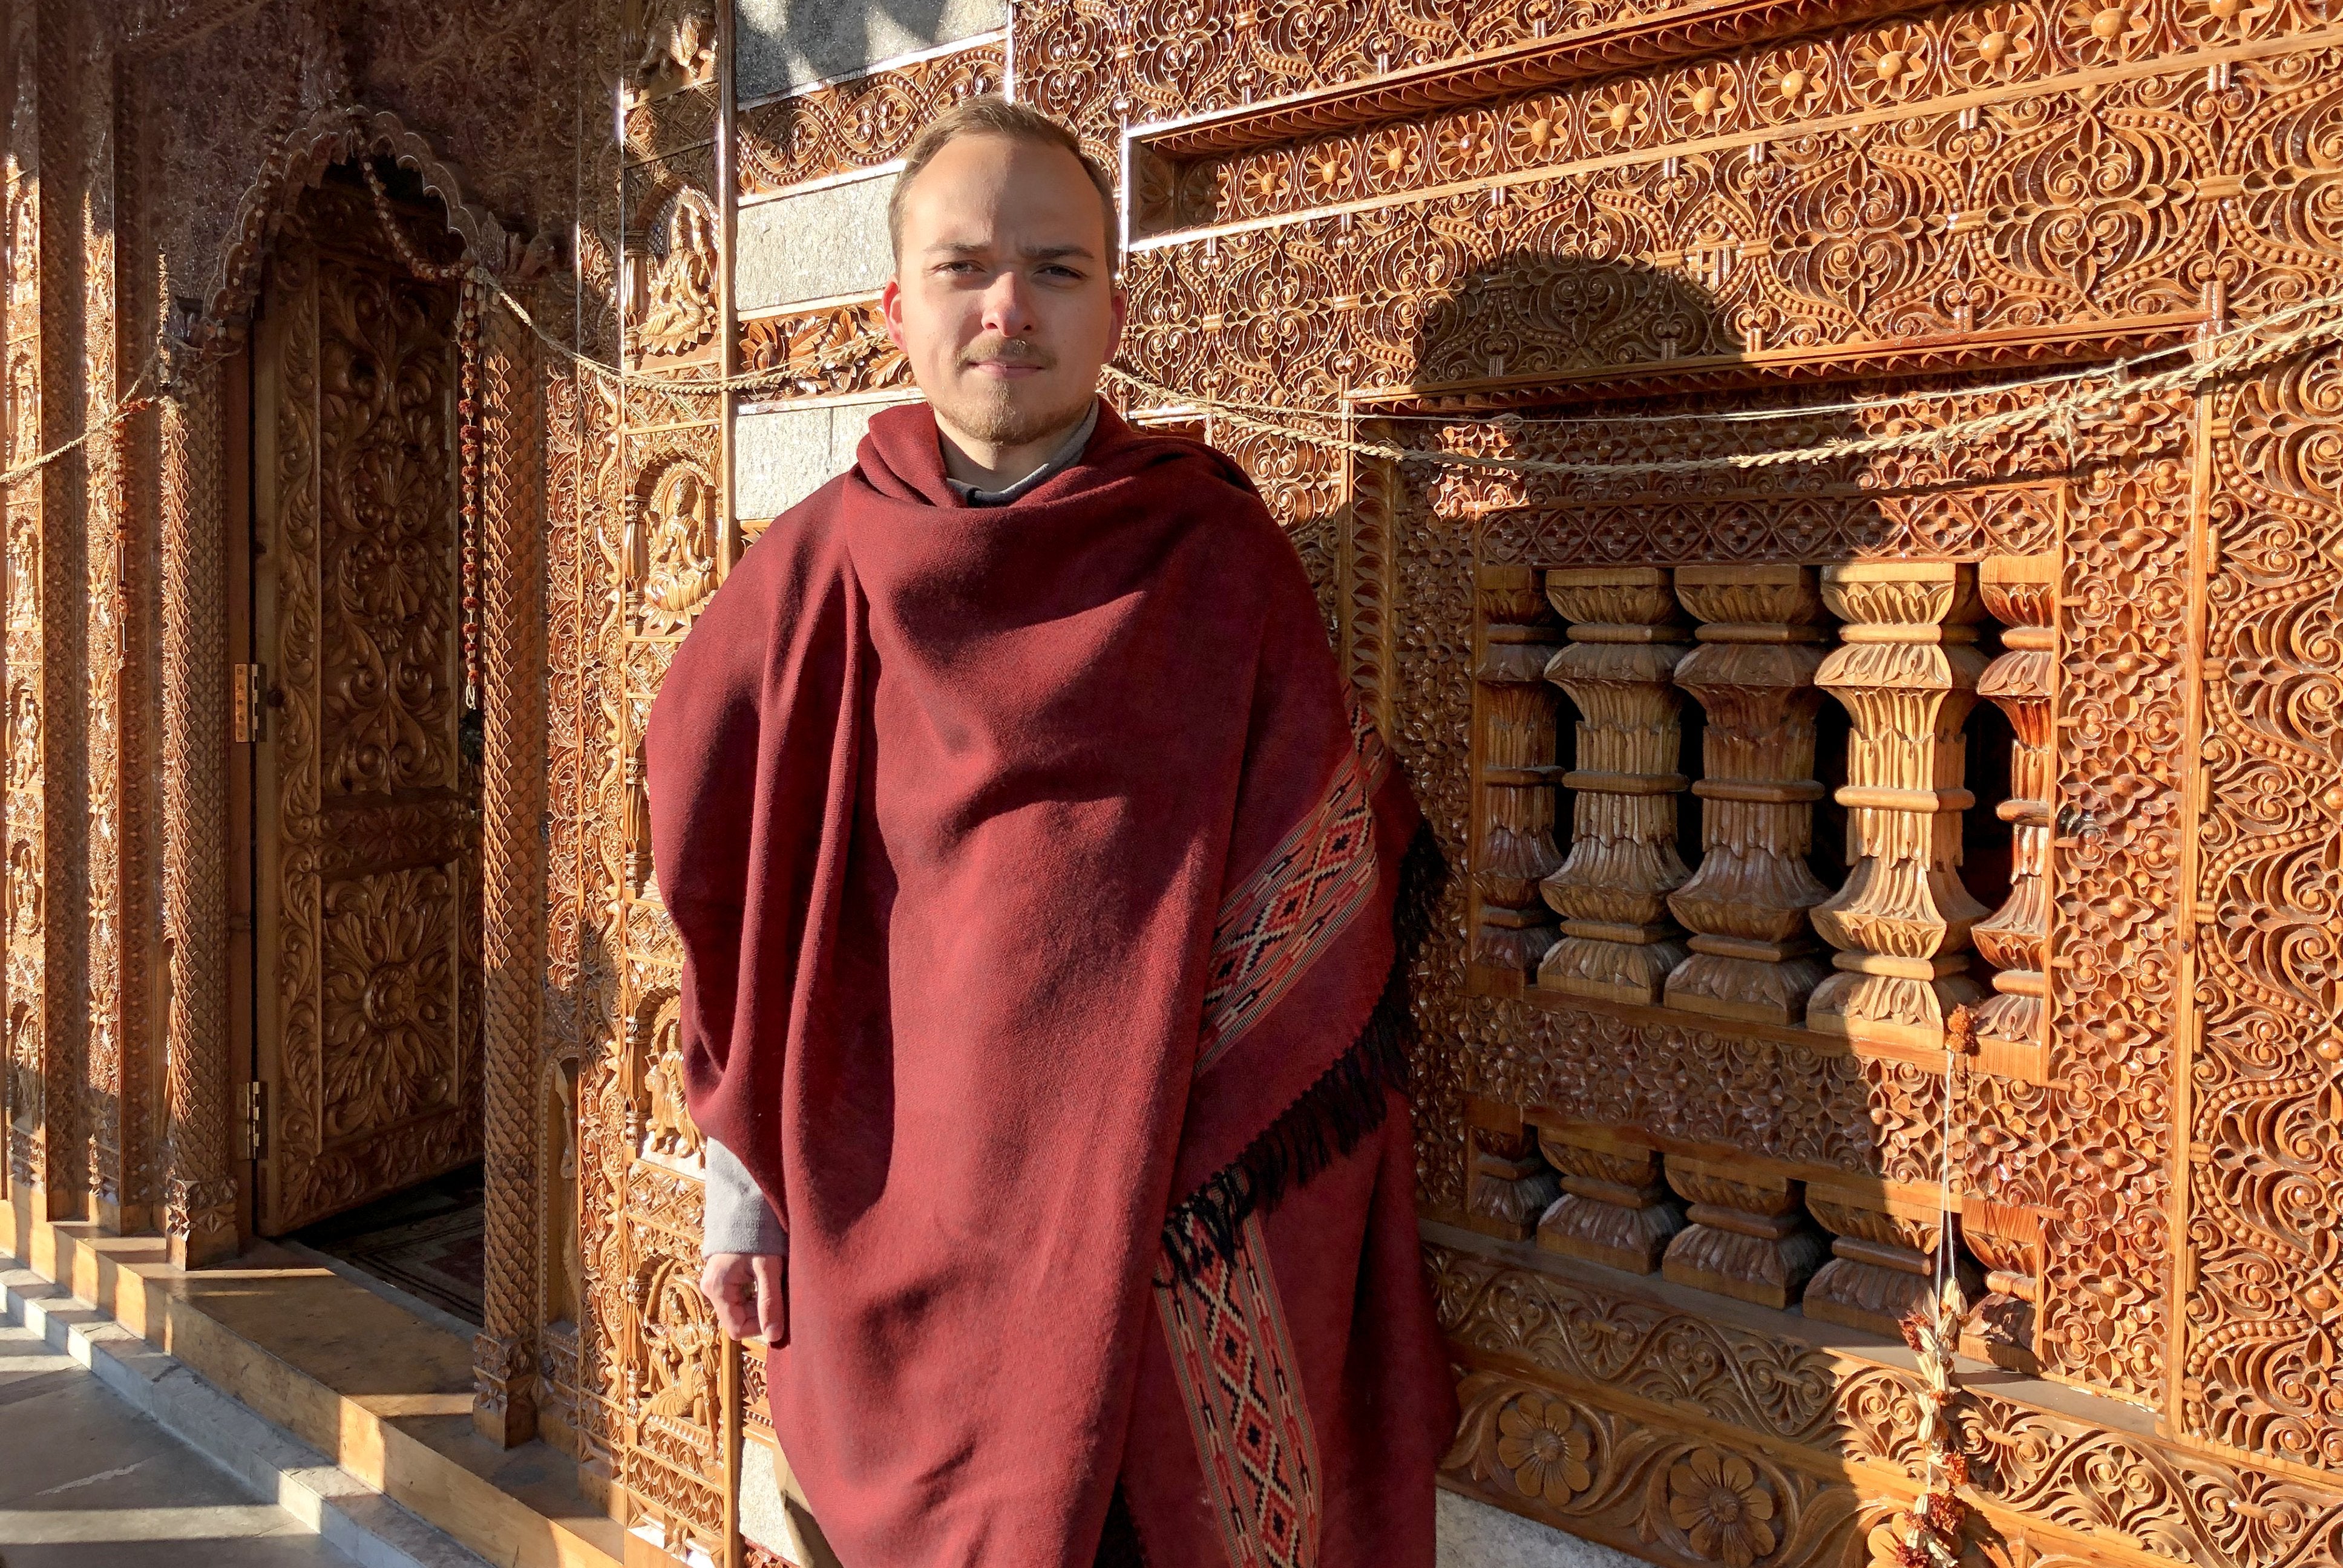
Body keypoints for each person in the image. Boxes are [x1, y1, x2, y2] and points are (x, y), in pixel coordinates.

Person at [645, 96, 1454, 1568]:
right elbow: (736, 889)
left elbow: (1315, 886)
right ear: (895, 305)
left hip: (1146, 1221)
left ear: (1114, 306)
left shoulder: (1211, 555)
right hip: (893, 1226)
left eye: (1056, 269)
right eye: (963, 267)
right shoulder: (822, 567)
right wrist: (742, 1194)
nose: (1007, 306)